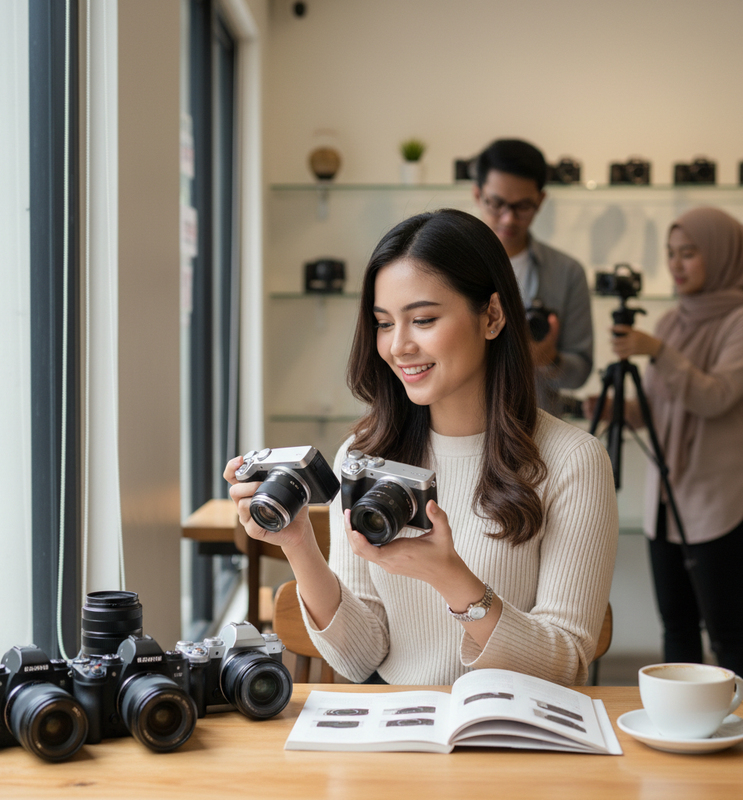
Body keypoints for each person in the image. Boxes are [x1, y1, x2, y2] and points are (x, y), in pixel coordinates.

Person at [226, 209, 618, 687]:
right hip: (401, 734)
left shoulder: (572, 460)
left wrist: (451, 579)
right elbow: (360, 655)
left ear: (492, 316)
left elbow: (566, 662)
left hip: (514, 741)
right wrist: (299, 543)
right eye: (384, 323)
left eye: (424, 320)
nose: (398, 346)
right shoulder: (365, 453)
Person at [587, 206, 743, 675]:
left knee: (728, 632)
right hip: (663, 503)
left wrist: (657, 351)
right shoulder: (672, 321)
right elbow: (660, 408)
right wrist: (618, 410)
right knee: (675, 625)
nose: (676, 264)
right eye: (671, 254)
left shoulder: (737, 322)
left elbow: (715, 398)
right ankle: (682, 721)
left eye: (689, 253)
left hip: (714, 505)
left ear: (721, 255)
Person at [471, 139, 593, 417]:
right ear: (477, 195)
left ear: (540, 200)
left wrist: (549, 360)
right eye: (497, 204)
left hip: (534, 430)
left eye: (523, 206)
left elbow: (579, 372)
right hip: (456, 425)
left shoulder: (566, 272)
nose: (509, 219)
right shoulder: (446, 263)